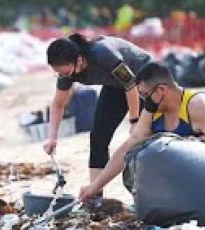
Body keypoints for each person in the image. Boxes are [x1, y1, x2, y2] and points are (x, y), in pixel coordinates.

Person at [77, 63, 205, 203]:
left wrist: (196, 140)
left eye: (145, 95)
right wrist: (96, 186)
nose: (143, 101)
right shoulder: (152, 109)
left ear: (162, 90)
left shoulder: (196, 105)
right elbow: (130, 145)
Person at [43, 33, 148, 205]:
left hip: (143, 80)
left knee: (142, 138)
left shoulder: (103, 53)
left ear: (78, 59)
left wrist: (134, 120)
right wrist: (52, 136)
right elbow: (58, 103)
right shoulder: (66, 72)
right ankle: (95, 195)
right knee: (98, 137)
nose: (66, 77)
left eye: (67, 72)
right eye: (60, 74)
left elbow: (130, 84)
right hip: (116, 86)